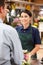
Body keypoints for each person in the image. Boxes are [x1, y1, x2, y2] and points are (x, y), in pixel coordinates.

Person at [0, 0, 24, 65]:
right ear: (1, 9)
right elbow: (18, 59)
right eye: (5, 8)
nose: (7, 11)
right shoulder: (9, 30)